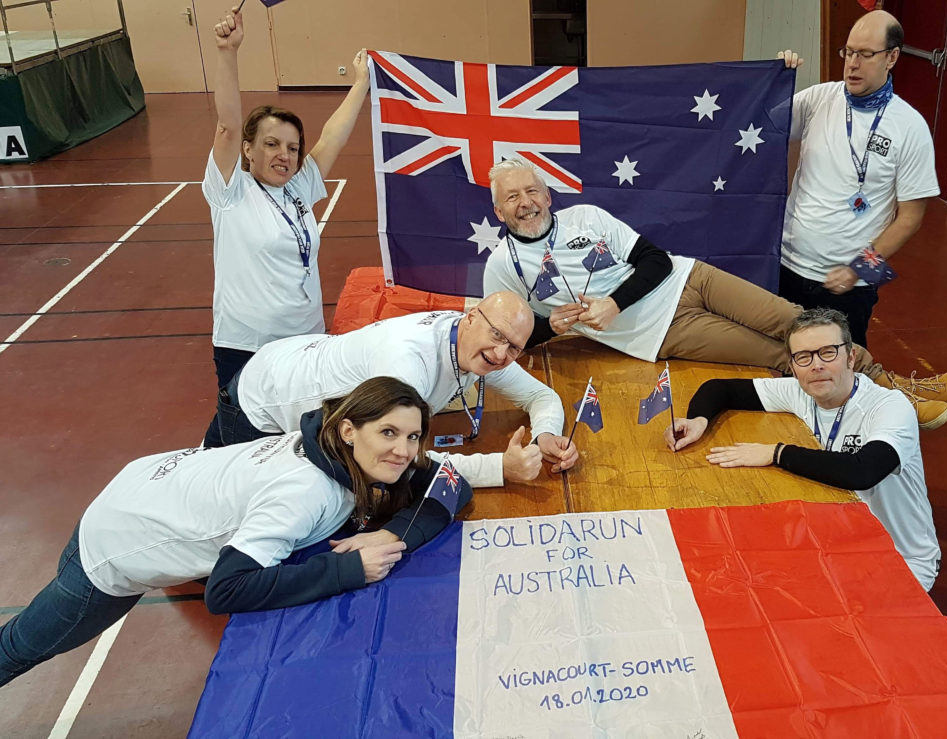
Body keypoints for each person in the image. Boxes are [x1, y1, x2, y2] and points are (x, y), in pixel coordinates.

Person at [0, 377, 472, 687]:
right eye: (388, 433)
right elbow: (225, 591)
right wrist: (347, 568)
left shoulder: (330, 446)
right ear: (350, 430)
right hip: (113, 545)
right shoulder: (306, 493)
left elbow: (451, 483)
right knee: (19, 649)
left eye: (413, 437)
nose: (404, 451)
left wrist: (394, 537)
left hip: (150, 489)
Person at [482, 158, 947, 430]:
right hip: (664, 332)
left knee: (800, 323)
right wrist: (554, 326)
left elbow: (654, 261)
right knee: (781, 355)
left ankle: (904, 388)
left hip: (688, 279)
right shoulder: (502, 265)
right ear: (500, 212)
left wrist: (612, 304)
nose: (525, 203)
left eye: (532, 191)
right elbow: (513, 337)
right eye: (511, 197)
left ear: (548, 195)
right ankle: (889, 406)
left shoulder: (587, 218)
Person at [663, 308, 939, 591]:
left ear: (851, 358)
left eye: (828, 352)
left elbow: (863, 471)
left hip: (899, 558)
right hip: (841, 541)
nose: (816, 365)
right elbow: (719, 389)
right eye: (804, 357)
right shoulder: (800, 391)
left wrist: (777, 453)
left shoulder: (889, 407)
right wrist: (698, 419)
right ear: (793, 367)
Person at [202, 8, 369, 445]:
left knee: (296, 438)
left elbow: (333, 136)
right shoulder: (230, 192)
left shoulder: (298, 187)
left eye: (292, 148)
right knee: (244, 444)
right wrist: (228, 52)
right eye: (272, 144)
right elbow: (225, 123)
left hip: (305, 340)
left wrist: (360, 84)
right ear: (248, 149)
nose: (284, 155)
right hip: (247, 347)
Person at [209, 291, 579, 486]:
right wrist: (500, 468)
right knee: (220, 497)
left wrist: (545, 434)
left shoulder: (474, 347)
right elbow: (397, 461)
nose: (501, 353)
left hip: (293, 368)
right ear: (470, 318)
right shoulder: (406, 362)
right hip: (261, 402)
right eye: (497, 335)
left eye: (513, 347)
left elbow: (541, 395)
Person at [776, 11, 939, 349]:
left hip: (851, 283)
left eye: (865, 55)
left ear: (892, 57)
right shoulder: (818, 100)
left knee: (840, 375)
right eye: (848, 52)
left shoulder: (910, 127)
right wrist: (775, 80)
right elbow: (760, 125)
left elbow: (911, 218)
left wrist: (858, 270)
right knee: (778, 361)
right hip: (787, 264)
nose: (852, 64)